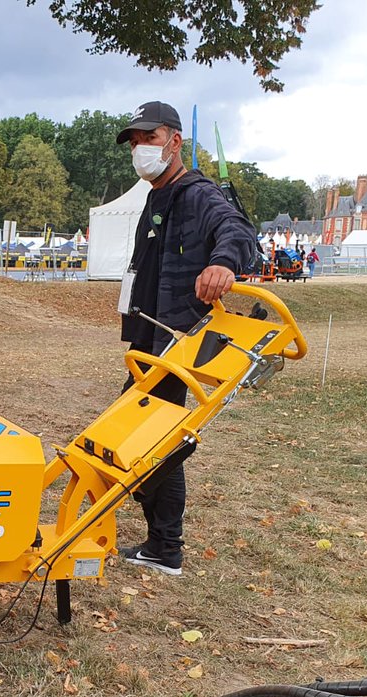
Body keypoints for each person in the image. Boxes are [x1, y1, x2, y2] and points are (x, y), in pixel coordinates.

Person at [115, 101, 258, 577]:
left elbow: (238, 231)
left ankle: (166, 546)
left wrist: (223, 263)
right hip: (152, 338)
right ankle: (161, 543)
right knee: (141, 436)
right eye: (135, 143)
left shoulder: (198, 194)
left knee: (157, 441)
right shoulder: (155, 198)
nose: (141, 150)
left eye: (148, 139)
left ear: (175, 141)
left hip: (184, 339)